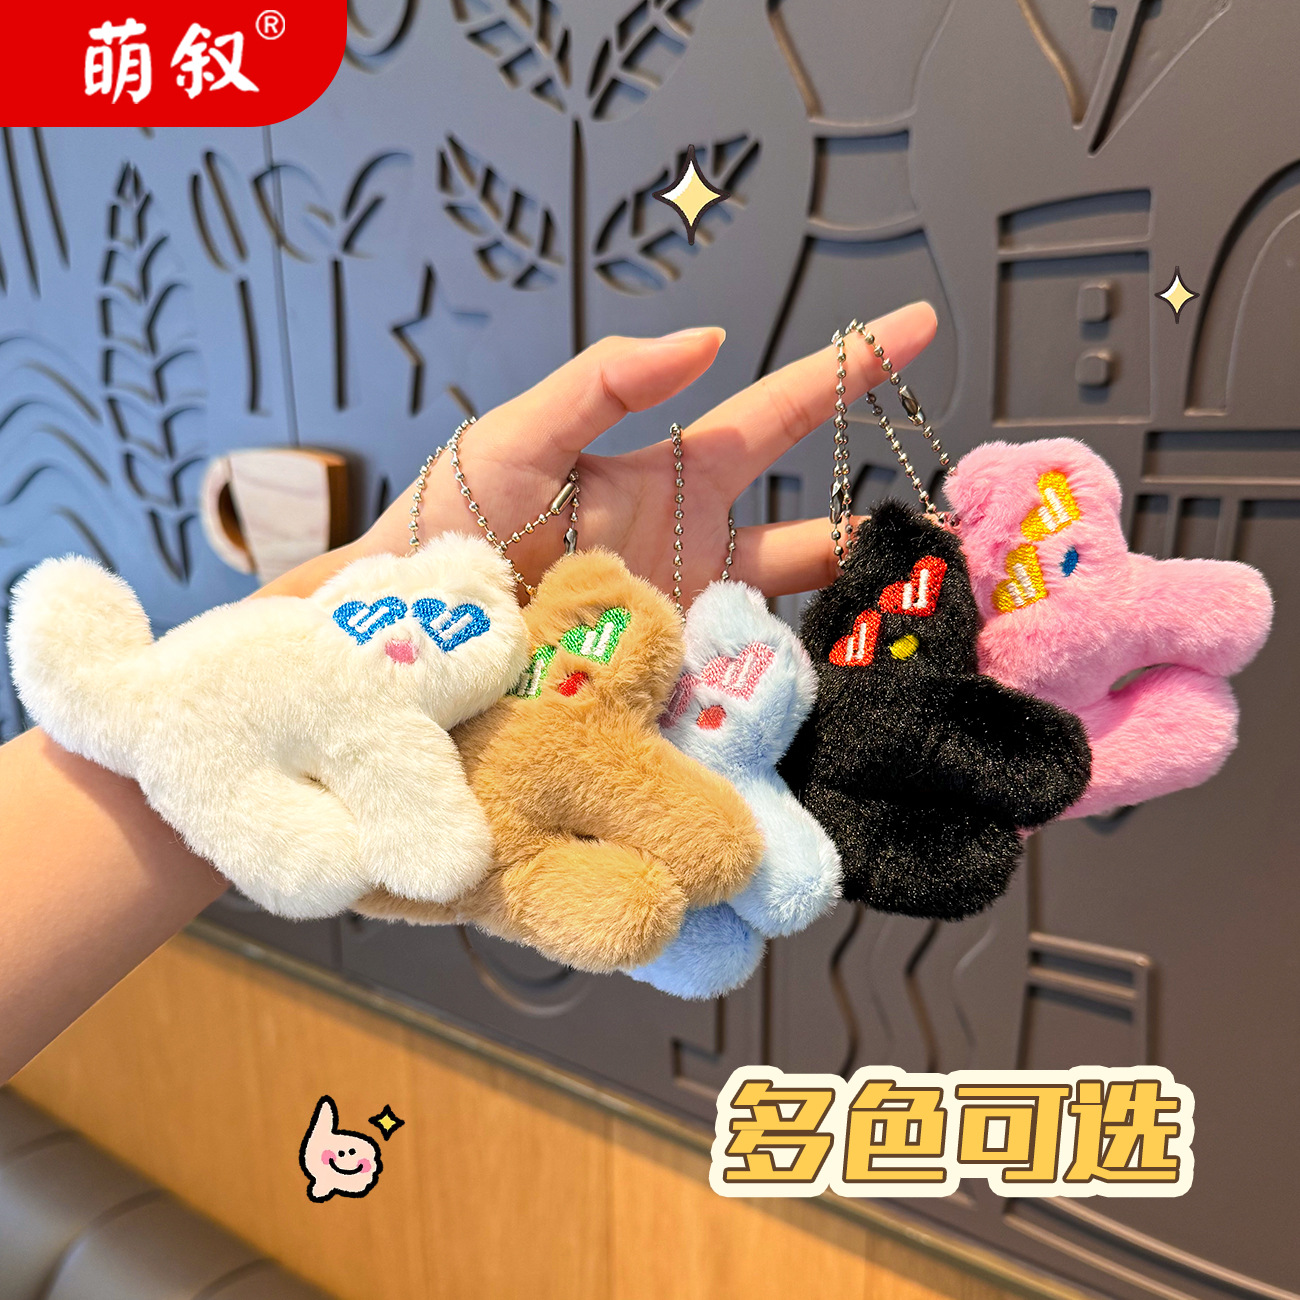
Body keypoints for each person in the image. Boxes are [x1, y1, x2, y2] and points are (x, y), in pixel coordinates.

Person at [0, 303, 938, 1082]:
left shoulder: (446, 664)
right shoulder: (396, 731)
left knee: (675, 866)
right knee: (623, 884)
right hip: (489, 791)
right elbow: (410, 833)